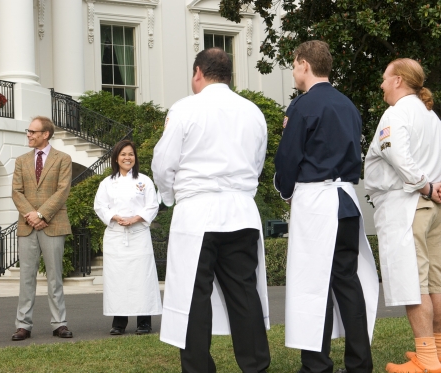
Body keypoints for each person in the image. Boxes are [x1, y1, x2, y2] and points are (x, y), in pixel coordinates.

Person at [152, 47, 271, 373]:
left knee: (194, 297)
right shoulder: (253, 112)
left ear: (197, 73)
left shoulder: (185, 109)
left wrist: (169, 196)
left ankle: (199, 367)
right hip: (241, 212)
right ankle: (256, 366)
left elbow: (163, 164)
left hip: (198, 214)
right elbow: (257, 163)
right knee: (244, 293)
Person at [274, 40, 379, 373]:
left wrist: (285, 190)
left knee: (310, 284)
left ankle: (317, 365)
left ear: (304, 64)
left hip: (316, 204)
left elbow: (288, 159)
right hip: (346, 202)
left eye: (293, 65)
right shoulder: (348, 105)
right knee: (347, 283)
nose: (293, 71)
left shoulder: (302, 107)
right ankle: (360, 363)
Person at [364, 58, 441, 373]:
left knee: (415, 283)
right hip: (432, 209)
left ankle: (426, 360)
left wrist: (424, 187)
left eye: (384, 78)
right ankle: (436, 349)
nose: (381, 85)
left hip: (408, 205)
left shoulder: (396, 114)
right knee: (436, 282)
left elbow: (397, 154)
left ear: (397, 80)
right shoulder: (431, 116)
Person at [10, 116, 73, 341]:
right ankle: (23, 325)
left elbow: (62, 191)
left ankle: (59, 323)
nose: (29, 134)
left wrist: (42, 214)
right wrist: (32, 216)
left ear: (45, 134)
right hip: (27, 226)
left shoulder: (63, 159)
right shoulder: (21, 160)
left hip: (53, 224)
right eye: (28, 131)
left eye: (32, 131)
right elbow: (16, 191)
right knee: (26, 277)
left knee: (55, 277)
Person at [94, 140, 162, 335]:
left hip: (138, 235)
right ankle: (119, 322)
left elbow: (152, 205)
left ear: (135, 157)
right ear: (116, 158)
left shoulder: (144, 181)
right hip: (116, 237)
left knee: (142, 278)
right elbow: (100, 206)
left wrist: (136, 218)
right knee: (118, 279)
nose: (127, 158)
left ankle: (144, 321)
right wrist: (114, 217)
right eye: (123, 154)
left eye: (131, 154)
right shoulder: (107, 183)